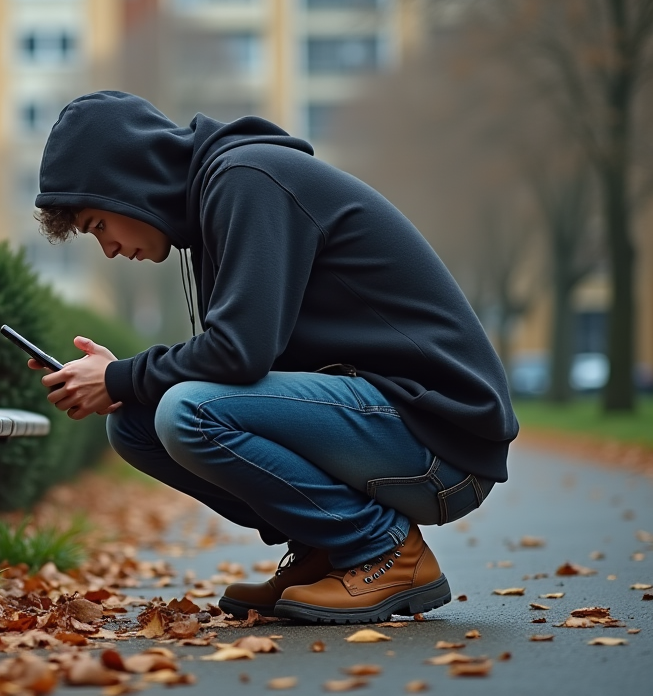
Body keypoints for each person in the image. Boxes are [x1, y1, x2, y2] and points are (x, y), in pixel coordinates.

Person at [28, 91, 518, 625]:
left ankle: (385, 551)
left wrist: (122, 375)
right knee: (135, 425)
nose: (109, 249)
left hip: (442, 439)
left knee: (186, 411)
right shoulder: (219, 199)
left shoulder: (248, 179)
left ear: (127, 181)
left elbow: (239, 354)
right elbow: (245, 358)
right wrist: (123, 384)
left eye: (99, 225)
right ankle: (324, 549)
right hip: (391, 426)